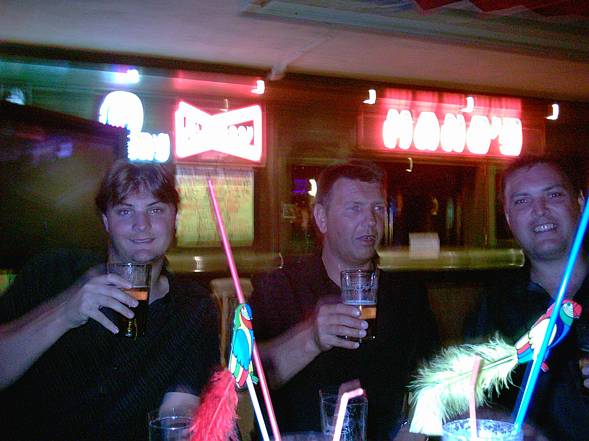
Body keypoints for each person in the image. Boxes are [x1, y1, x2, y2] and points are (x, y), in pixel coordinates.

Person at [0, 159, 219, 440]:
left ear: (174, 218)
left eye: (155, 210)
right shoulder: (52, 272)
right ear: (106, 221)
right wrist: (65, 312)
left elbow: (177, 410)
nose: (141, 225)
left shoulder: (194, 308)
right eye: (125, 211)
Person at [250, 159, 439, 440]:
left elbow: (434, 381)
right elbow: (250, 379)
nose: (371, 221)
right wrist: (311, 338)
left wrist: (412, 429)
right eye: (355, 208)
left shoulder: (407, 294)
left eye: (378, 208)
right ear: (321, 218)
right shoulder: (279, 288)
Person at [465, 154, 589, 440]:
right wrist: (507, 427)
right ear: (509, 218)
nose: (540, 210)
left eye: (554, 195)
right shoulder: (493, 306)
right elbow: (467, 399)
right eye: (522, 201)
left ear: (580, 203)